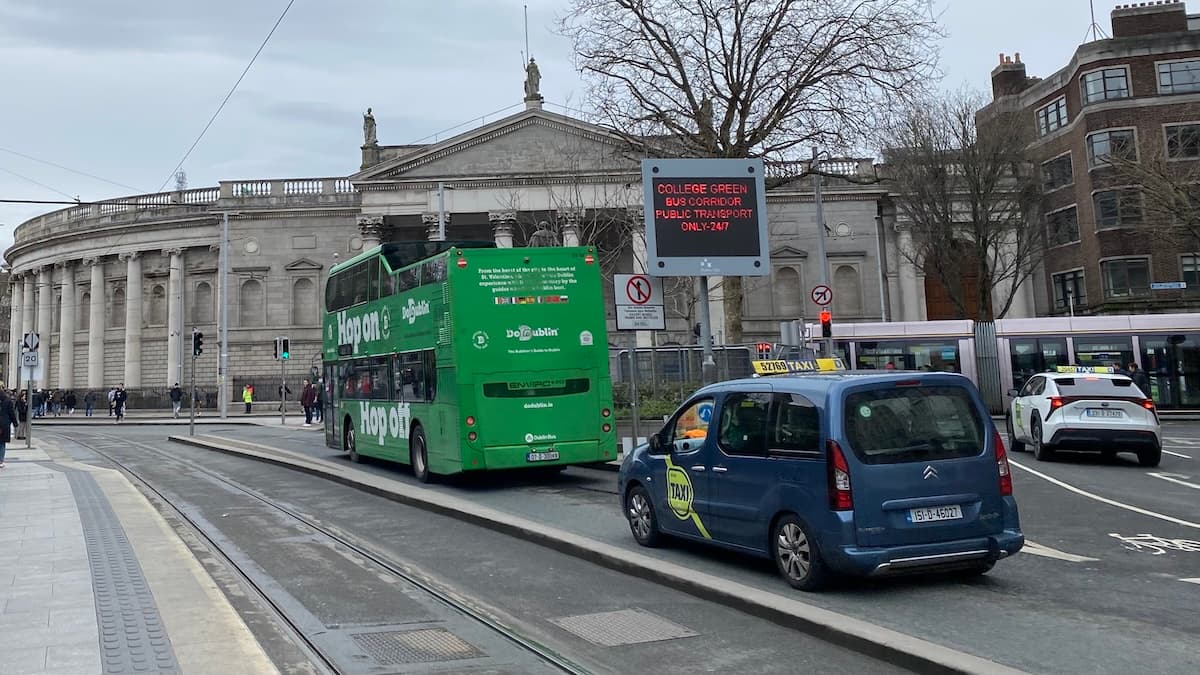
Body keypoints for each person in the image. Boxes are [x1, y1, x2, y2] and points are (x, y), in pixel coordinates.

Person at [0, 391, 14, 469]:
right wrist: (15, 423)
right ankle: (1, 461)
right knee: (2, 443)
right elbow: (11, 412)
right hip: (4, 424)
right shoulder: (8, 401)